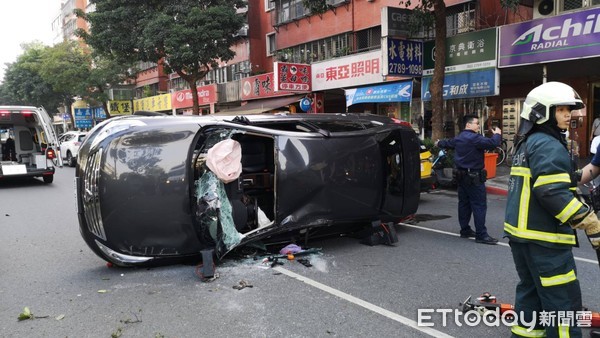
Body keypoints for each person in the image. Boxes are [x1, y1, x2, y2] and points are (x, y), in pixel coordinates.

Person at [504, 82, 600, 337]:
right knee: (562, 303)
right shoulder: (548, 145)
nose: (569, 115)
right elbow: (551, 192)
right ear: (542, 112)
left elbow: (548, 180)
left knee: (531, 297)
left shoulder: (527, 144)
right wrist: (589, 221)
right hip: (545, 241)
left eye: (569, 109)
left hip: (522, 238)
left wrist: (577, 174)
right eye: (561, 109)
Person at [435, 114, 501, 244]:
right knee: (479, 205)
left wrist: (438, 143)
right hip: (474, 178)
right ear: (468, 125)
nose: (478, 126)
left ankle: (465, 230)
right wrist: (497, 133)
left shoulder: (459, 138)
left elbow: (446, 143)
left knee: (464, 204)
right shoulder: (475, 138)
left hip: (461, 177)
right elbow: (493, 143)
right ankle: (481, 235)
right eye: (476, 123)